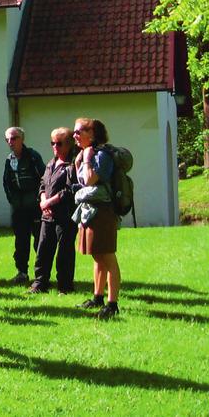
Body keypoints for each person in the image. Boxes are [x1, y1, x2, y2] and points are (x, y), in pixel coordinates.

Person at [72, 118, 121, 320]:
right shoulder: (87, 154)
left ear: (91, 134)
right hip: (90, 210)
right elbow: (83, 182)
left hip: (103, 211)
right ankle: (97, 297)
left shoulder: (101, 154)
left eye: (78, 131)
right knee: (97, 255)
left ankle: (112, 304)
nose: (74, 135)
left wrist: (85, 159)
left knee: (107, 256)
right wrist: (79, 161)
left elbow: (91, 179)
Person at [29, 128, 78, 294]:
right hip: (47, 215)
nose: (55, 146)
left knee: (64, 252)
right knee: (43, 250)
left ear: (68, 145)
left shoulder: (72, 165)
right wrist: (44, 201)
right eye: (52, 143)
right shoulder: (51, 163)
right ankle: (40, 283)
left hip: (65, 216)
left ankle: (64, 286)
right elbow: (43, 184)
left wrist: (49, 202)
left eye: (59, 143)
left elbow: (69, 190)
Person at [2, 127, 45, 284]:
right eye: (7, 139)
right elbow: (6, 181)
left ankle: (41, 275)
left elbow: (44, 178)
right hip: (18, 208)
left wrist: (39, 200)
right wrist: (12, 199)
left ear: (22, 139)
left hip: (35, 207)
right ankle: (22, 272)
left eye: (14, 138)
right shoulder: (9, 159)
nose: (10, 142)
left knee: (39, 241)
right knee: (21, 241)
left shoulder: (33, 157)